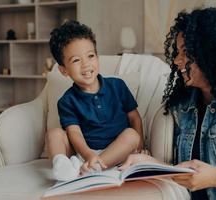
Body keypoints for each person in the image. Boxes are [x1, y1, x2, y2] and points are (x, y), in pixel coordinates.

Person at [119, 4, 216, 200]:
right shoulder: (185, 106)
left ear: (212, 53)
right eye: (177, 52)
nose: (177, 61)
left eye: (185, 52)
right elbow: (192, 174)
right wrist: (150, 164)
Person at [47, 20, 144, 181]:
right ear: (63, 70)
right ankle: (62, 166)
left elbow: (134, 117)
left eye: (90, 56)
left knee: (132, 135)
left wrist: (140, 146)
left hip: (117, 150)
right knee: (54, 134)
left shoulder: (117, 86)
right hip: (82, 153)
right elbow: (74, 132)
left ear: (97, 57)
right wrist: (88, 155)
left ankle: (95, 168)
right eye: (76, 60)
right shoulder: (67, 100)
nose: (86, 65)